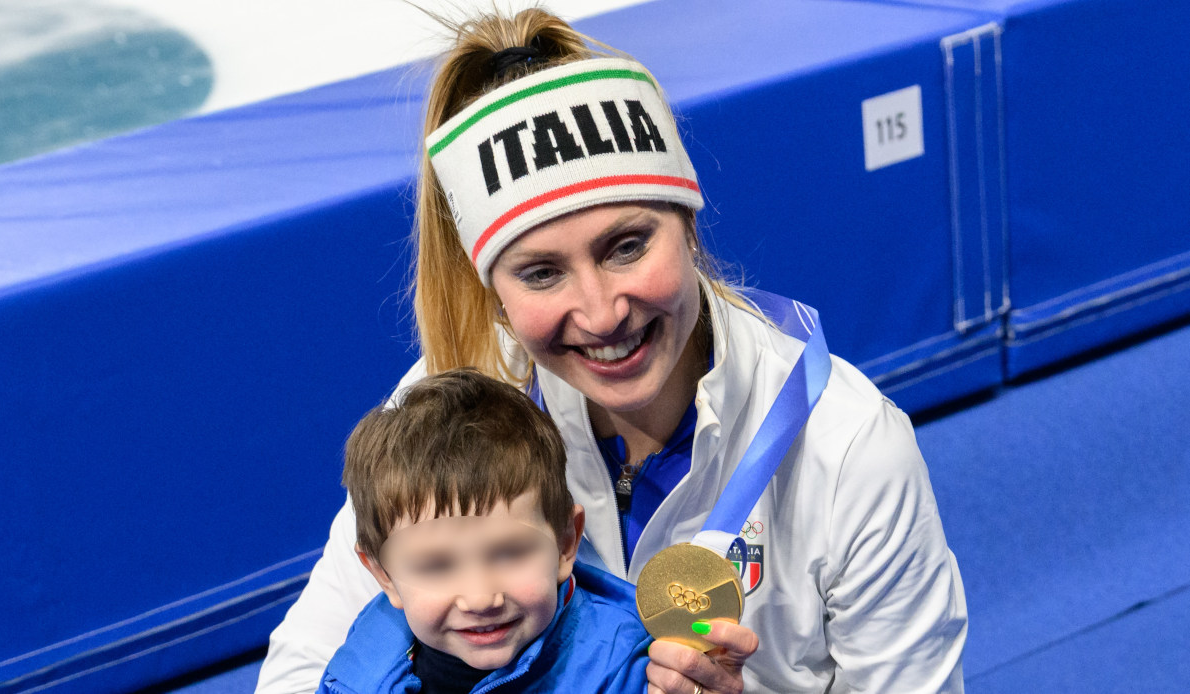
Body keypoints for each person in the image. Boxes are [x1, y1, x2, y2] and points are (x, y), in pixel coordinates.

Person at [258, 7, 967, 694]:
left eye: (626, 247)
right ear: (495, 293)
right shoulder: (456, 403)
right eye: (541, 273)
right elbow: (302, 670)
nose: (601, 314)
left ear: (688, 224)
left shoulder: (846, 451)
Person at [317, 368, 652, 694]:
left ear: (565, 543)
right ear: (384, 574)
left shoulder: (623, 669)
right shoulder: (359, 667)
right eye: (437, 566)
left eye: (508, 553)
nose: (480, 599)